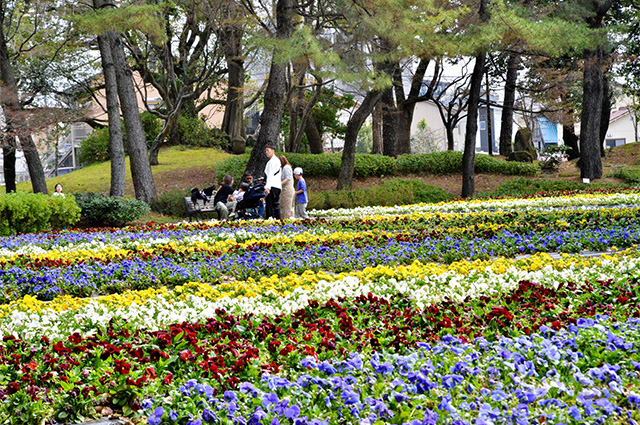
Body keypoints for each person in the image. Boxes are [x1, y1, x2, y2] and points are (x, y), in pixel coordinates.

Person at [263, 144, 281, 219]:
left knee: (271, 206)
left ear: (273, 151)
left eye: (268, 150)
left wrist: (267, 187)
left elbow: (270, 175)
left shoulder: (272, 162)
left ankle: (271, 221)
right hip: (277, 185)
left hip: (272, 186)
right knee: (275, 205)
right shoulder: (276, 161)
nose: (266, 152)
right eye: (266, 151)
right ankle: (277, 221)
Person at [278, 155, 295, 219]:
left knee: (286, 207)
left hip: (287, 190)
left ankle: (286, 220)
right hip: (287, 189)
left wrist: (280, 183)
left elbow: (288, 178)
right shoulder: (285, 168)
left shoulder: (286, 168)